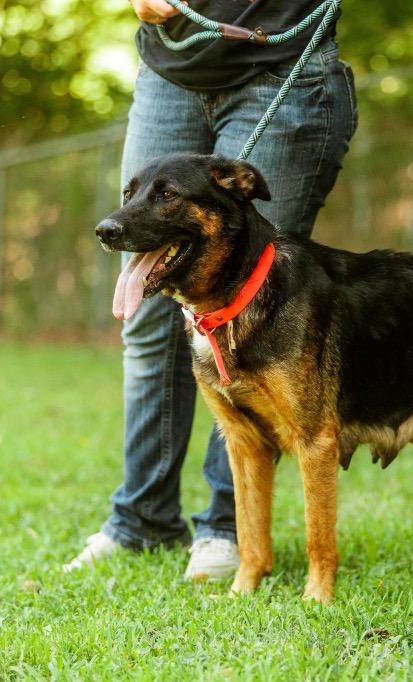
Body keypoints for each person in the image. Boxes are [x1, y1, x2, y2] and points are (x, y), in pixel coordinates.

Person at [64, 0, 356, 579]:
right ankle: (142, 519)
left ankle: (227, 530)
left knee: (261, 306)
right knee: (150, 316)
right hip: (170, 66)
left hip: (282, 61)